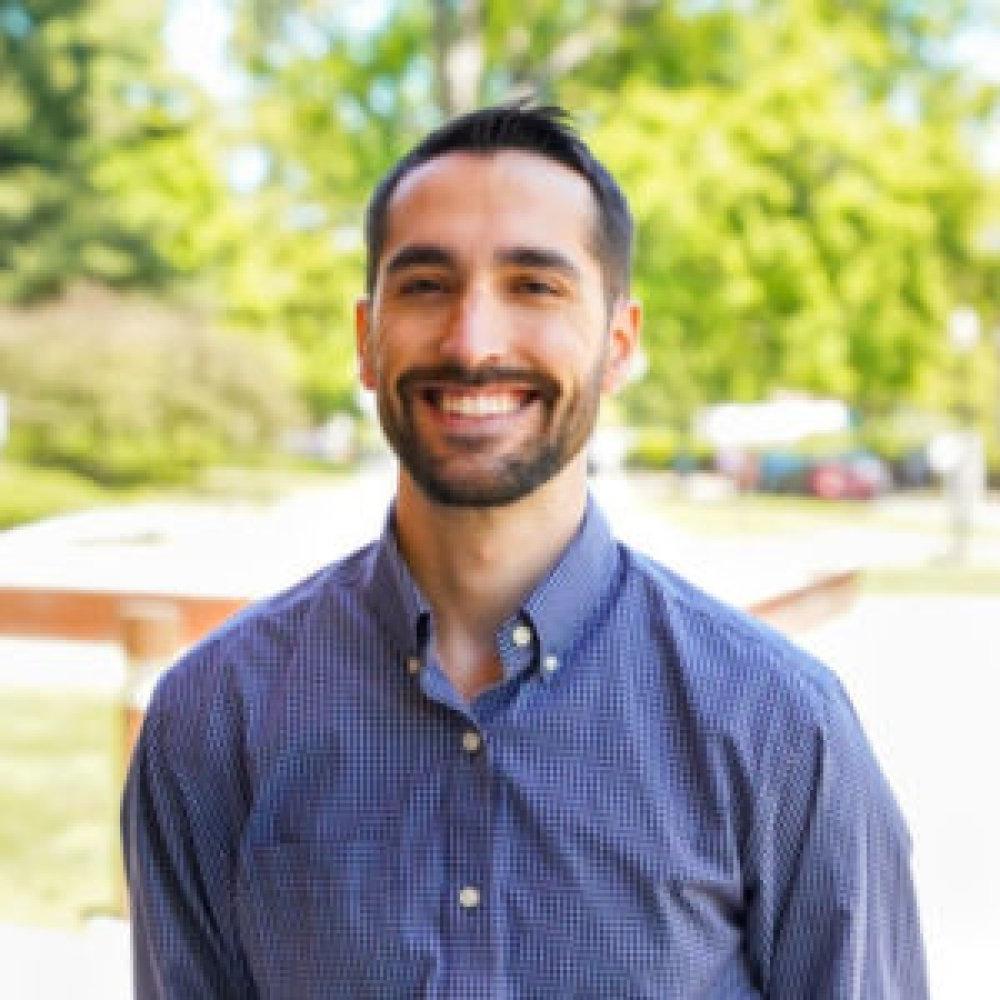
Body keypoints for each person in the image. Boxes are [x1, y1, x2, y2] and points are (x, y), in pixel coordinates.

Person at [122, 104, 928, 999]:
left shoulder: (781, 728)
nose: (473, 342)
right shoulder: (214, 719)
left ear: (618, 345)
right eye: (426, 285)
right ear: (366, 339)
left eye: (534, 286)